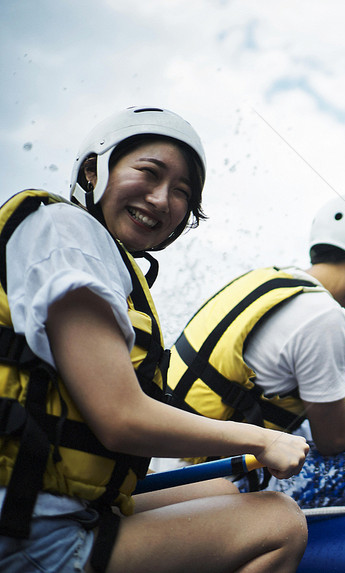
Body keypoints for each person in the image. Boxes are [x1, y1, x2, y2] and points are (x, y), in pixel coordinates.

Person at [0, 106, 310, 573]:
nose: (163, 199)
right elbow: (119, 418)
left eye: (181, 192)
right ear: (93, 170)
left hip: (49, 501)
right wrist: (260, 440)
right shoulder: (67, 233)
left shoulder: (92, 250)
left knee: (221, 492)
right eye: (148, 172)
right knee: (280, 523)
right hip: (29, 529)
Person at [164, 194, 345, 508]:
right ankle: (338, 553)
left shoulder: (270, 281)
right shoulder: (322, 315)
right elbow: (332, 440)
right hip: (214, 481)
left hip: (170, 464)